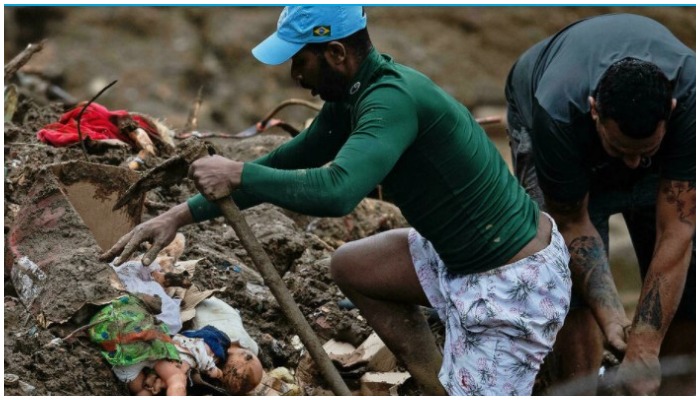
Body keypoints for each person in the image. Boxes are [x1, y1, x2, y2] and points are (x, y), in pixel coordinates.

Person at [101, 6, 572, 395]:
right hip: (457, 254)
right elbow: (292, 160)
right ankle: (435, 382)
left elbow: (338, 191)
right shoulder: (352, 95)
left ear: (335, 52)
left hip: (511, 280)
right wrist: (181, 214)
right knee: (352, 266)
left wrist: (239, 171)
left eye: (300, 62)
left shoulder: (389, 101)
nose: (294, 75)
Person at [504, 13, 695, 395]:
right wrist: (611, 320)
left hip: (647, 130)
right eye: (620, 149)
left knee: (692, 277)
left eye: (647, 151)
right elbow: (574, 222)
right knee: (558, 266)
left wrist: (644, 342)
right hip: (551, 120)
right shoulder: (556, 110)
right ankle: (579, 387)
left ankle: (672, 385)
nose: (633, 165)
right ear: (594, 110)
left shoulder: (693, 102)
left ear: (671, 112)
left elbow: (677, 229)